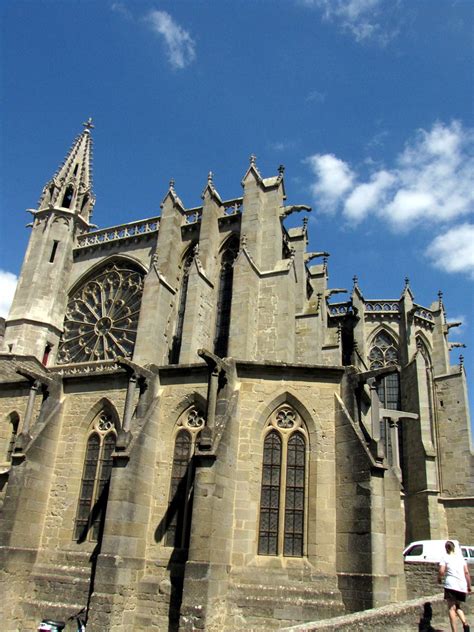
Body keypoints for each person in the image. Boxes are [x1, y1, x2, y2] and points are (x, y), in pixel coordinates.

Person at [438, 540, 472, 632]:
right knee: (457, 606)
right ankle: (465, 623)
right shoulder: (460, 558)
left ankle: (454, 631)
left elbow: (441, 571)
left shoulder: (445, 557)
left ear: (446, 549)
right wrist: (469, 586)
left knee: (451, 609)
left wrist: (439, 578)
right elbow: (466, 572)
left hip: (451, 585)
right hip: (461, 585)